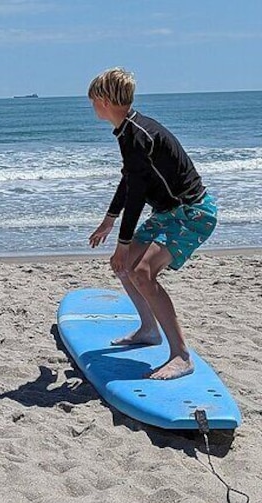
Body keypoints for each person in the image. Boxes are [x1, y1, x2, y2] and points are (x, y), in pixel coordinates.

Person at [87, 67, 217, 380]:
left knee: (141, 272)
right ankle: (148, 329)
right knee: (124, 266)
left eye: (93, 99)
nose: (91, 105)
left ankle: (181, 356)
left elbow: (137, 194)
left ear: (104, 101)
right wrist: (108, 221)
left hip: (192, 214)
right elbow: (130, 181)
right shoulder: (129, 130)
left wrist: (122, 242)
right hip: (168, 213)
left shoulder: (137, 135)